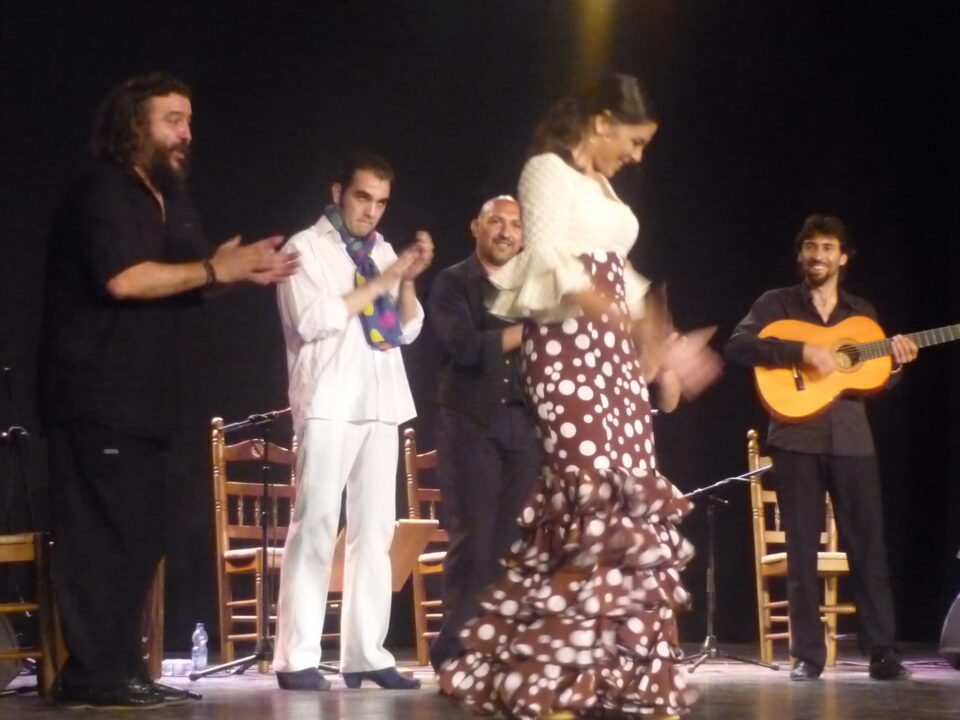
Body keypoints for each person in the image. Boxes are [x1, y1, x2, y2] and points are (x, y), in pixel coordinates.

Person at [438, 74, 719, 719]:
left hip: (616, 355)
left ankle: (610, 672)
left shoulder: (605, 187)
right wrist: (625, 317)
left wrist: (665, 342)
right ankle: (554, 675)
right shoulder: (546, 172)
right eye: (635, 139)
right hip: (565, 347)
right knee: (589, 490)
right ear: (600, 122)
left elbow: (624, 275)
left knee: (627, 493)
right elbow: (553, 263)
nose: (638, 155)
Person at [40, 72, 298, 709]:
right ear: (135, 124)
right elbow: (125, 280)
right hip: (96, 393)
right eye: (172, 120)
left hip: (152, 400)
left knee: (143, 536)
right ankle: (95, 675)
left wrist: (234, 274)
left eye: (188, 121)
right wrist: (215, 267)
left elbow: (185, 278)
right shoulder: (101, 190)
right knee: (102, 537)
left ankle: (120, 667)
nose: (186, 133)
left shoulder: (171, 196)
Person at [725, 214, 916, 681]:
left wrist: (896, 365)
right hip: (796, 438)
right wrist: (799, 352)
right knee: (802, 548)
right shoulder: (776, 304)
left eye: (828, 247)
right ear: (800, 255)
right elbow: (738, 346)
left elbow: (874, 380)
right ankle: (807, 655)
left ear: (842, 258)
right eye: (811, 247)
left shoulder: (862, 315)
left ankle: (882, 652)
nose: (818, 256)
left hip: (852, 441)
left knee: (868, 547)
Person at [273, 153, 433, 691]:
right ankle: (296, 657)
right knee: (316, 523)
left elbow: (408, 329)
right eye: (363, 197)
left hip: (381, 398)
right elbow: (314, 319)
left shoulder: (382, 250)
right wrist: (385, 275)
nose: (371, 211)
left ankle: (365, 653)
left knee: (376, 531)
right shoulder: (304, 247)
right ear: (339, 191)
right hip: (329, 399)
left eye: (381, 201)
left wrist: (406, 279)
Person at [426, 196, 542, 672]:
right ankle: (454, 652)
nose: (505, 231)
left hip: (524, 424)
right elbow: (464, 346)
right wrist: (529, 329)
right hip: (470, 422)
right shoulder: (454, 282)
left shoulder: (536, 286)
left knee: (513, 542)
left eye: (515, 224)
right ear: (476, 226)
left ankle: (497, 649)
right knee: (473, 539)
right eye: (496, 221)